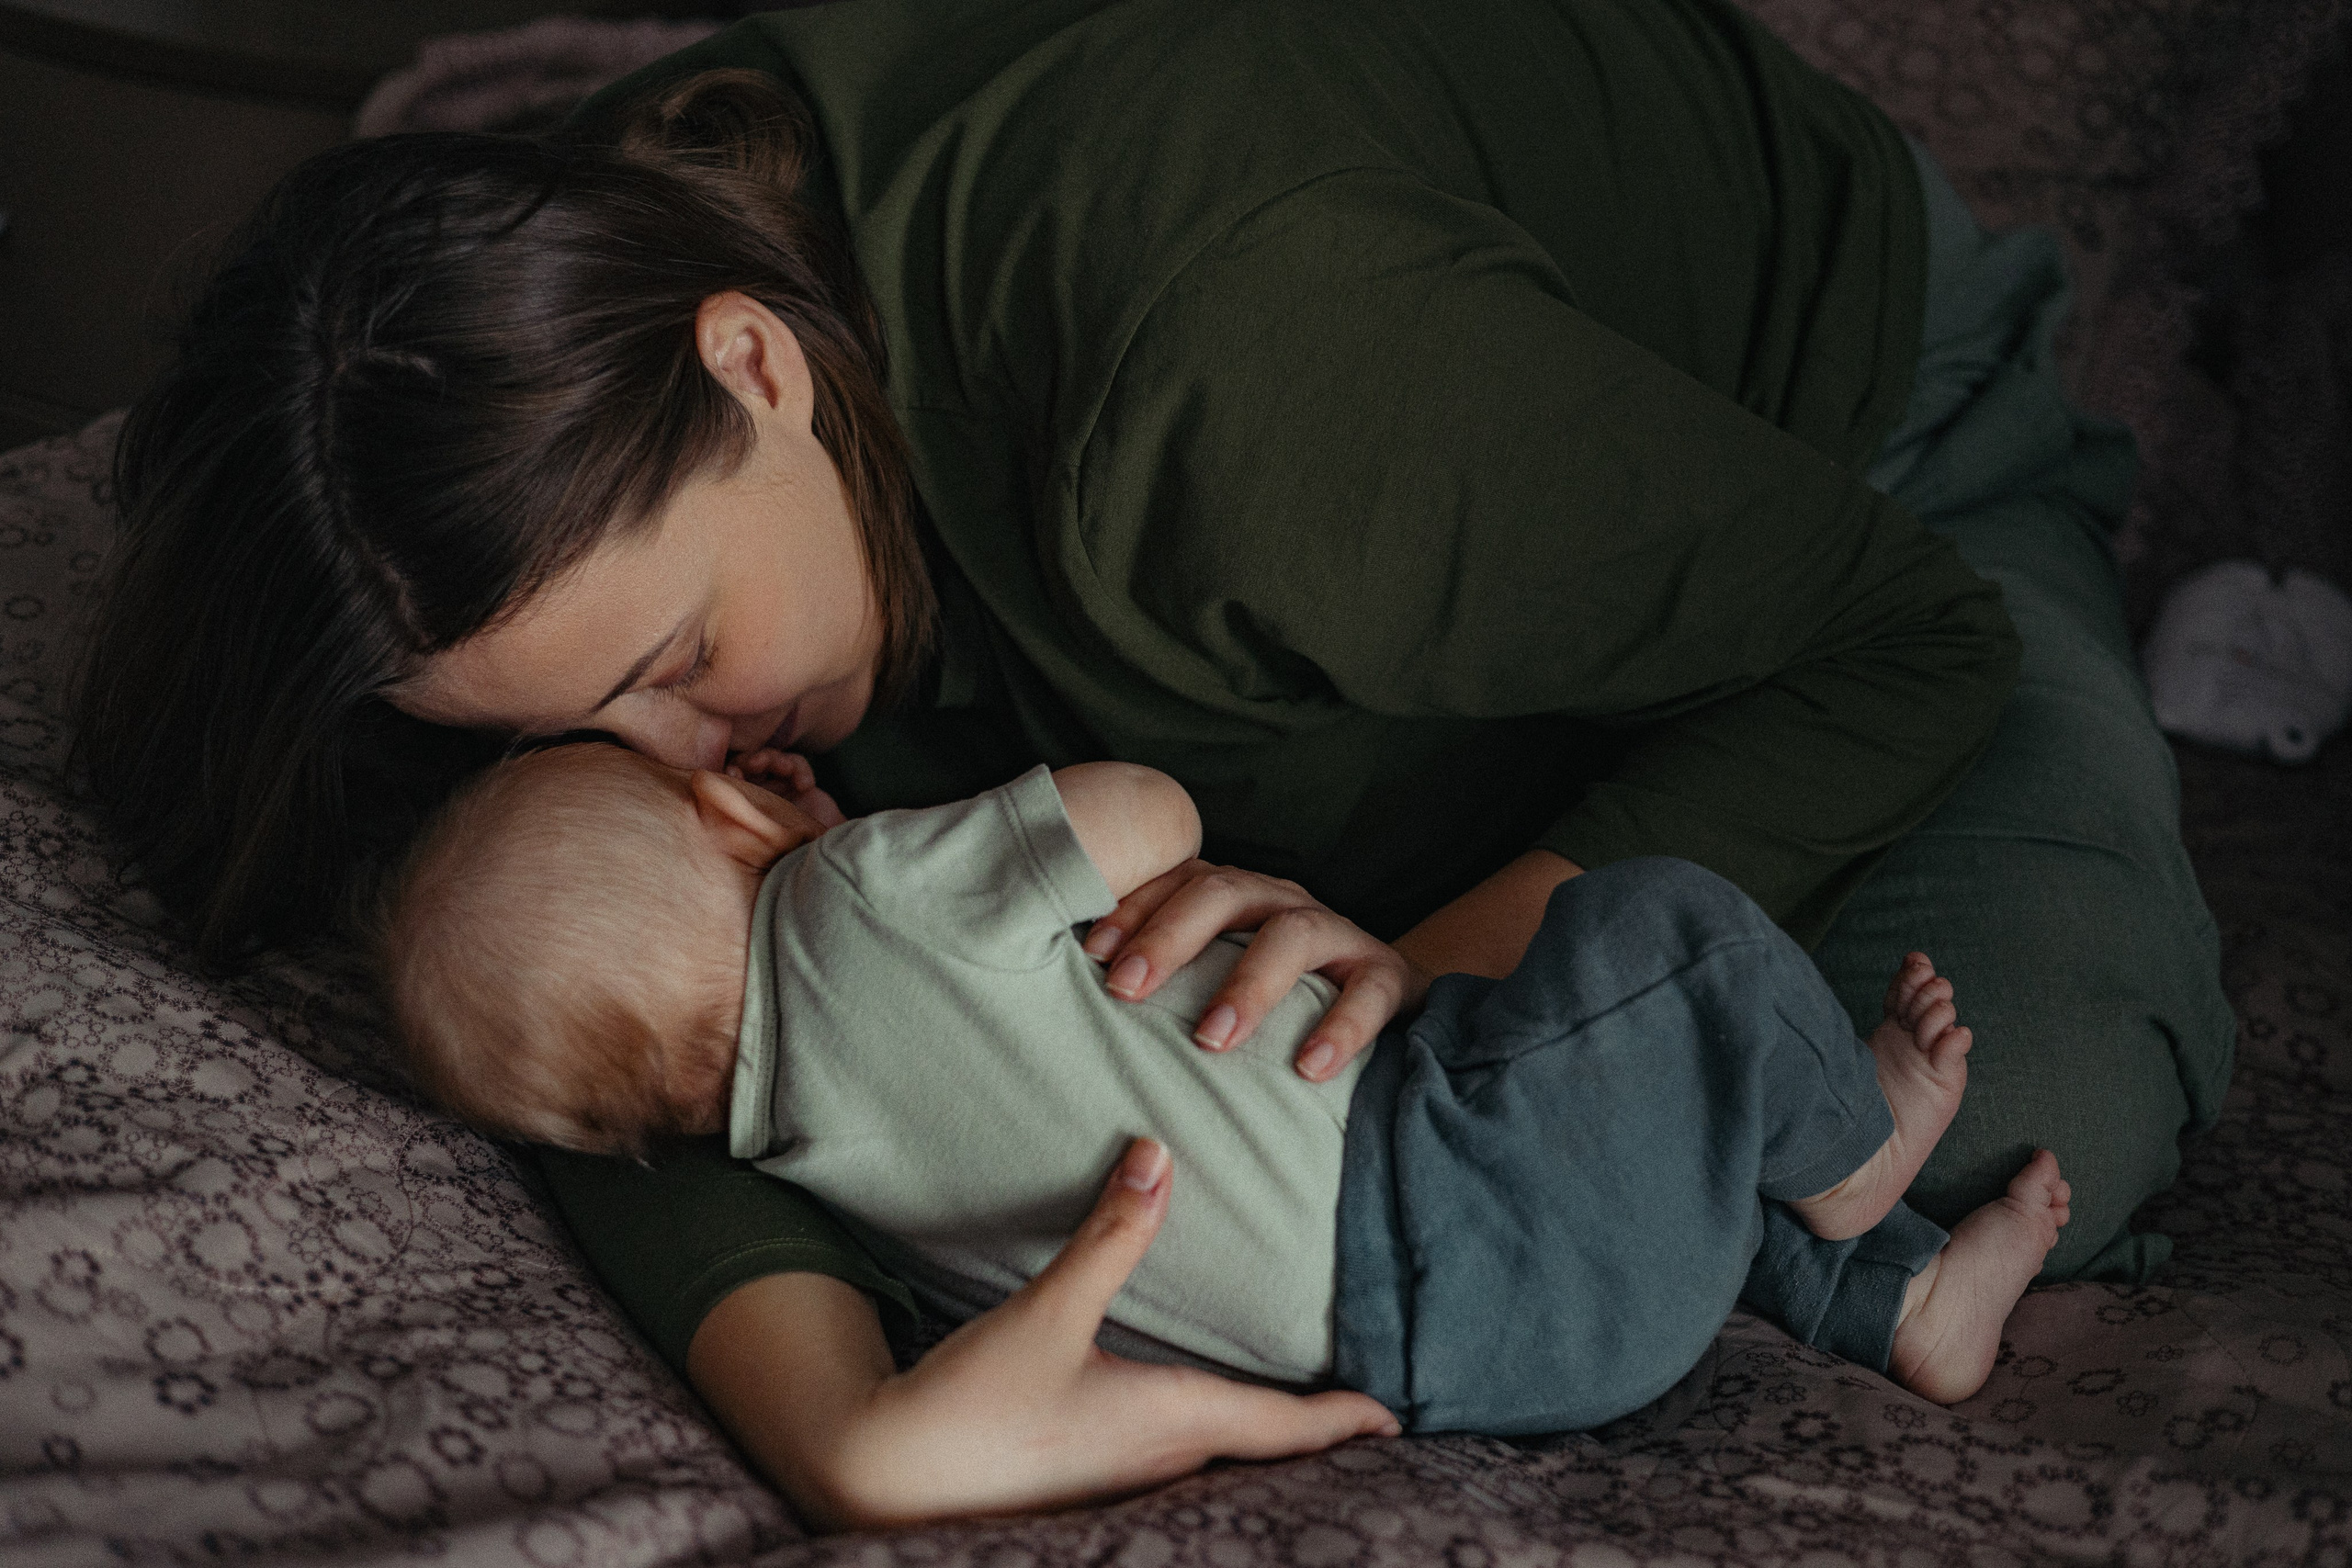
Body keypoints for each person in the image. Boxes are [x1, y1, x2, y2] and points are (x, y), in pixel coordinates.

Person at [73, 0, 2233, 1531]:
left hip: (1855, 457)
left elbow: (1887, 637)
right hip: (1376, 528)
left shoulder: (1221, 382)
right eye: (571, 728)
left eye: (674, 663)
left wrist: (1430, 982)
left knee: (1986, 1100)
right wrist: (851, 1429)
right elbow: (603, 990)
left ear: (754, 365)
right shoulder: (501, 368)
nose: (652, 769)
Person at [378, 739, 2072, 1427]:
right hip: (1449, 1174)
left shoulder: (811, 1176)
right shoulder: (845, 899)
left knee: (1658, 1147)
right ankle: (1859, 1168)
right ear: (728, 816)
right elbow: (1146, 820)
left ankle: (1900, 1304)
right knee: (1651, 935)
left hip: (1479, 1364)